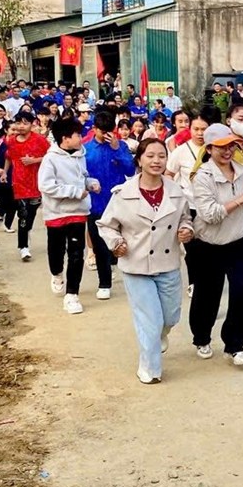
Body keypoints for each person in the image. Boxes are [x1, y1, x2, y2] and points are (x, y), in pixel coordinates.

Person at [97, 138, 193, 384]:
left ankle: (160, 335)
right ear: (139, 159)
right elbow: (106, 225)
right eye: (150, 155)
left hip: (168, 264)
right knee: (149, 320)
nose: (156, 161)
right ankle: (149, 368)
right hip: (135, 265)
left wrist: (185, 229)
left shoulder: (176, 191)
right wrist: (116, 243)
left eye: (161, 156)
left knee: (170, 317)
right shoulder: (123, 194)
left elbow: (185, 219)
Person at [188, 123, 243, 366]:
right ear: (209, 149)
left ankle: (235, 344)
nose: (227, 151)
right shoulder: (203, 177)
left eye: (230, 145)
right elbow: (209, 214)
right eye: (221, 147)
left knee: (242, 292)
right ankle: (201, 337)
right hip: (210, 244)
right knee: (208, 295)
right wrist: (241, 200)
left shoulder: (240, 170)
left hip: (239, 241)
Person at [38, 117, 101, 315]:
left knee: (76, 253)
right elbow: (46, 186)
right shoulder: (50, 159)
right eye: (77, 135)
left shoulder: (80, 155)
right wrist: (74, 191)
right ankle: (56, 273)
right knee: (56, 251)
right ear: (65, 139)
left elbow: (82, 177)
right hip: (56, 212)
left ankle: (72, 294)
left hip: (78, 212)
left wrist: (90, 183)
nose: (81, 138)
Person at [84, 111, 136, 301]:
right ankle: (104, 283)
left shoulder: (120, 146)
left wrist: (117, 150)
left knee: (118, 241)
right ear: (94, 129)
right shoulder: (85, 149)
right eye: (102, 131)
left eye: (109, 131)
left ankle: (114, 263)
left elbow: (130, 169)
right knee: (99, 246)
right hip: (95, 204)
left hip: (117, 203)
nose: (106, 135)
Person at [166, 112, 209, 298]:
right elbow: (168, 173)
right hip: (189, 206)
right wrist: (177, 193)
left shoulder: (216, 149)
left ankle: (207, 279)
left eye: (204, 129)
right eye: (196, 129)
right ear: (189, 129)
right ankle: (193, 282)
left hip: (210, 206)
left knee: (208, 247)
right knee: (192, 248)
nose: (200, 133)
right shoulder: (180, 151)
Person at [5, 112, 51, 260]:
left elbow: (51, 156)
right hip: (19, 183)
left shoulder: (39, 140)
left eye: (25, 123)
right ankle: (23, 247)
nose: (21, 126)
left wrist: (35, 160)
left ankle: (27, 231)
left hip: (37, 183)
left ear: (32, 124)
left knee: (31, 213)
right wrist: (4, 172)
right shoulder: (11, 141)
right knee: (23, 214)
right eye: (18, 123)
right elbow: (9, 157)